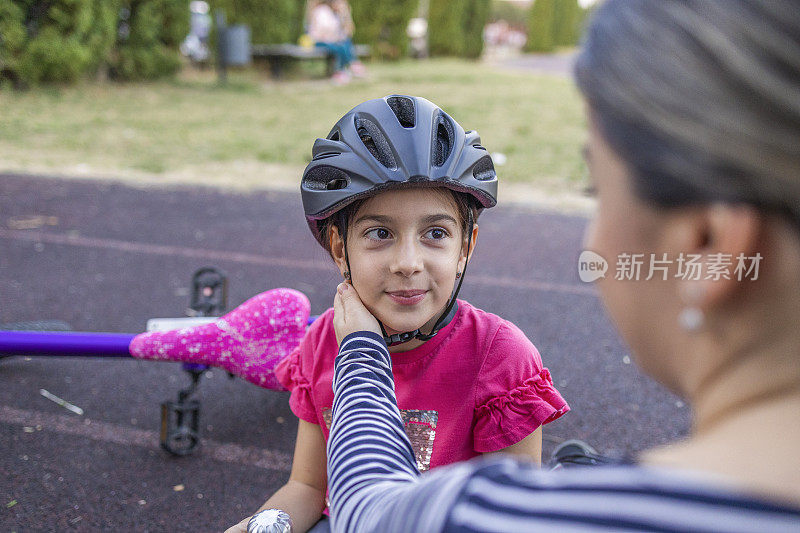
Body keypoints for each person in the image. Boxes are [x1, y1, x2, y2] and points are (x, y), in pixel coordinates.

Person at [321, 0, 800, 531]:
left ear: (708, 244)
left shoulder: (495, 515)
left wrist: (361, 353)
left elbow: (368, 510)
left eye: (599, 190)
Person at [224, 95, 569, 533]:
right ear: (338, 247)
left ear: (466, 247)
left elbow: (513, 520)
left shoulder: (500, 357)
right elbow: (310, 487)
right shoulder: (323, 342)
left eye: (436, 233)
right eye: (380, 233)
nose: (407, 262)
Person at [305, 0, 363, 85]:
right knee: (340, 47)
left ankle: (346, 68)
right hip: (319, 41)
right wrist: (333, 37)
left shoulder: (335, 14)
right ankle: (346, 68)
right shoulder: (321, 11)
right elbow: (321, 31)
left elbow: (348, 32)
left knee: (345, 43)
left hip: (331, 40)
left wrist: (345, 14)